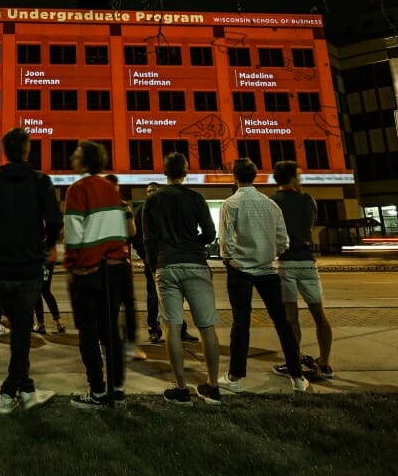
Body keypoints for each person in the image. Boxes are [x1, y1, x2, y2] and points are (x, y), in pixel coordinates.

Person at [0, 127, 63, 414]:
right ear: (26, 150)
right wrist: (47, 245)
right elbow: (55, 221)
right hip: (27, 267)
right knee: (22, 331)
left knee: (20, 331)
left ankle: (23, 389)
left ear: (4, 151)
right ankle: (10, 391)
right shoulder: (40, 182)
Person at [218, 158, 311, 394]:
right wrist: (269, 254)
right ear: (256, 176)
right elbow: (283, 241)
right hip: (268, 270)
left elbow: (225, 240)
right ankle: (297, 376)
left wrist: (231, 259)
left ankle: (236, 376)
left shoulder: (231, 204)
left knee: (241, 323)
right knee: (282, 322)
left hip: (240, 271)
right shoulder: (271, 205)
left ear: (234, 177)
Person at [143, 153, 221, 404]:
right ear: (185, 171)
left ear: (164, 172)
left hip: (167, 265)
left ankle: (180, 386)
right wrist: (194, 245)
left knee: (172, 327)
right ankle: (212, 385)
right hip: (195, 263)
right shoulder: (195, 198)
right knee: (206, 327)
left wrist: (155, 263)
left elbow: (148, 240)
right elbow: (210, 233)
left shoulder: (153, 202)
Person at [64, 140, 129, 409]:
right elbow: (118, 232)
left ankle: (97, 391)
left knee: (87, 332)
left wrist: (72, 263)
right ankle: (117, 386)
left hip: (87, 272)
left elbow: (74, 232)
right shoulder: (110, 189)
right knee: (110, 329)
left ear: (83, 160)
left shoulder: (77, 189)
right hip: (113, 269)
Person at [271, 161, 334, 379]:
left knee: (291, 317)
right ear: (292, 178)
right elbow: (311, 224)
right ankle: (324, 362)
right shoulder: (308, 200)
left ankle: (294, 361)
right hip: (307, 262)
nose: (301, 178)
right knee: (319, 314)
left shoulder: (273, 203)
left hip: (286, 262)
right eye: (298, 175)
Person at [133, 182, 198, 345]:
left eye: (154, 191)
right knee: (153, 297)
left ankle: (181, 330)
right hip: (152, 261)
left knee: (175, 296)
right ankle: (154, 330)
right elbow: (137, 238)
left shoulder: (165, 210)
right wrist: (146, 257)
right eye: (149, 191)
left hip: (168, 259)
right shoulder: (141, 211)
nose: (151, 194)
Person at [104, 173, 145, 361]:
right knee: (128, 304)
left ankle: (107, 344)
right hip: (121, 261)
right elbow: (132, 231)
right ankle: (130, 344)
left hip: (102, 263)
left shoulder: (97, 208)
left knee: (107, 306)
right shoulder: (123, 207)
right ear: (116, 188)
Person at [32, 240, 66, 335]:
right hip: (49, 257)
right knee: (45, 290)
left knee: (37, 290)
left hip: (40, 258)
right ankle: (58, 322)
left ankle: (41, 324)